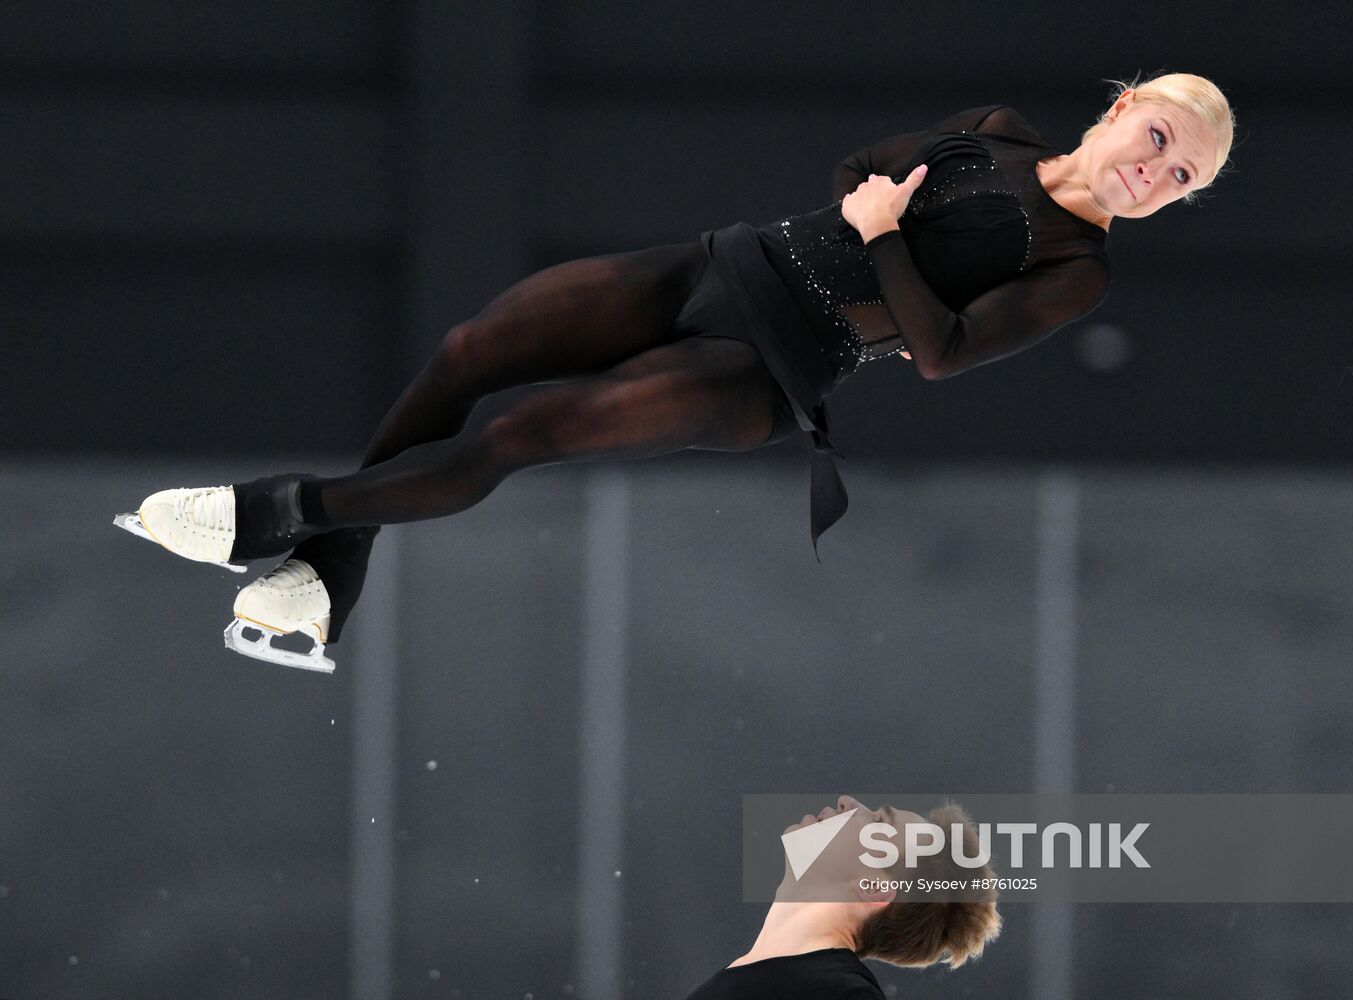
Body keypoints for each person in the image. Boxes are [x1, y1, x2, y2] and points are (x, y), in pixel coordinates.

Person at [115, 72, 1234, 670]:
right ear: (1122, 106)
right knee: (470, 350)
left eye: (1181, 179)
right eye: (1159, 143)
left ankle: (277, 513)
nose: (1156, 175)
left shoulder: (1075, 271)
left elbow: (937, 353)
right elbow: (859, 168)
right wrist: (870, 213)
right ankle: (327, 582)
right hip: (716, 265)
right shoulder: (994, 127)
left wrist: (884, 237)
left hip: (766, 366)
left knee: (520, 429)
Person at [681, 796, 1001, 999]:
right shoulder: (726, 985)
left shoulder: (841, 994)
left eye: (876, 822)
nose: (848, 802)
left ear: (874, 886)